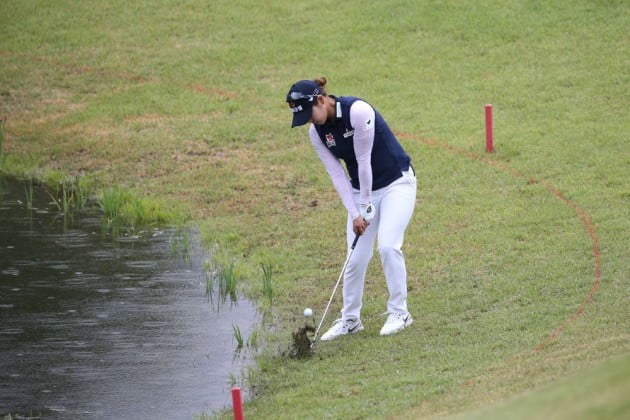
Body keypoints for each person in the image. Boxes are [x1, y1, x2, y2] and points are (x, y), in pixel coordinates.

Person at [286, 77, 417, 339]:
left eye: (309, 114)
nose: (309, 122)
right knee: (355, 258)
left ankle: (400, 312)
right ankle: (350, 319)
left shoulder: (358, 112)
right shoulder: (316, 133)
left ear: (321, 100)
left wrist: (366, 205)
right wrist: (355, 212)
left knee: (388, 246)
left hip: (396, 183)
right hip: (360, 191)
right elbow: (337, 174)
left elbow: (363, 160)